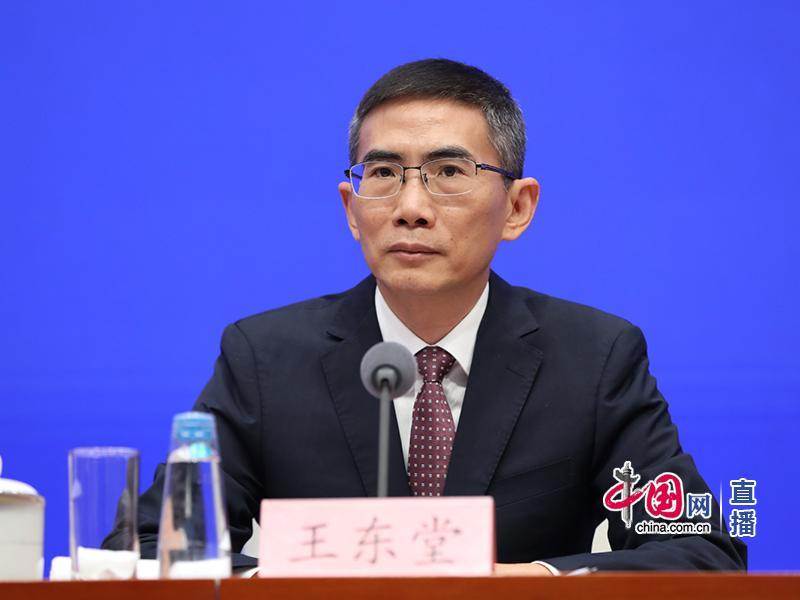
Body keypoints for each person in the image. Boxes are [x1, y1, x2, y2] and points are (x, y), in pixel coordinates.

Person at [137, 58, 746, 573]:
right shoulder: (264, 358)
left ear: (517, 207)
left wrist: (523, 582)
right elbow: (146, 545)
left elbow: (703, 552)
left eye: (449, 172)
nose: (411, 207)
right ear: (352, 210)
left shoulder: (593, 358)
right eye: (383, 173)